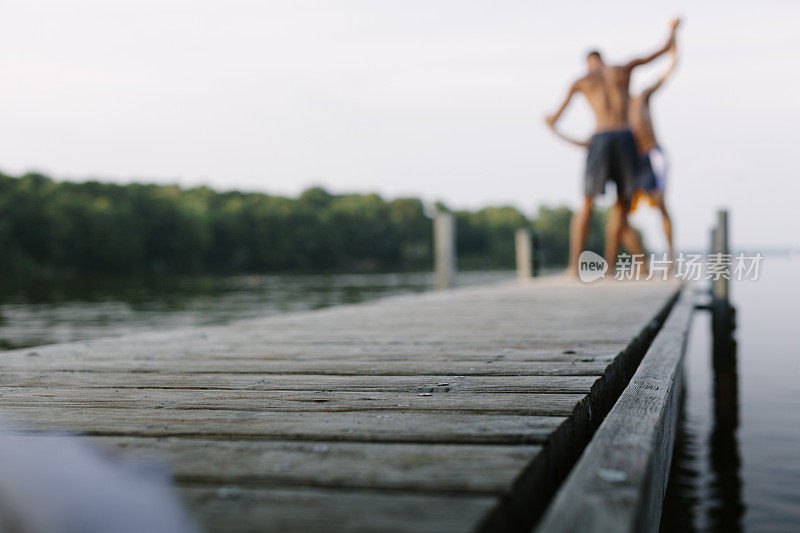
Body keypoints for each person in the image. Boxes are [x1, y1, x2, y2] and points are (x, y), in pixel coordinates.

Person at [545, 17, 681, 276]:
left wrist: (554, 126)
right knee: (621, 202)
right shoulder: (622, 69)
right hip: (625, 137)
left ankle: (574, 267)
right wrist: (672, 31)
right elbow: (662, 50)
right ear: (603, 59)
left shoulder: (582, 81)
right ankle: (608, 267)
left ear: (588, 62)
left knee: (587, 201)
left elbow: (555, 119)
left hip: (600, 136)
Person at [629, 41, 678, 264]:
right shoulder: (617, 108)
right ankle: (640, 261)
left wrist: (674, 36)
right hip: (631, 162)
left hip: (652, 155)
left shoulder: (641, 97)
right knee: (619, 213)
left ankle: (671, 259)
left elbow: (669, 69)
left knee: (660, 204)